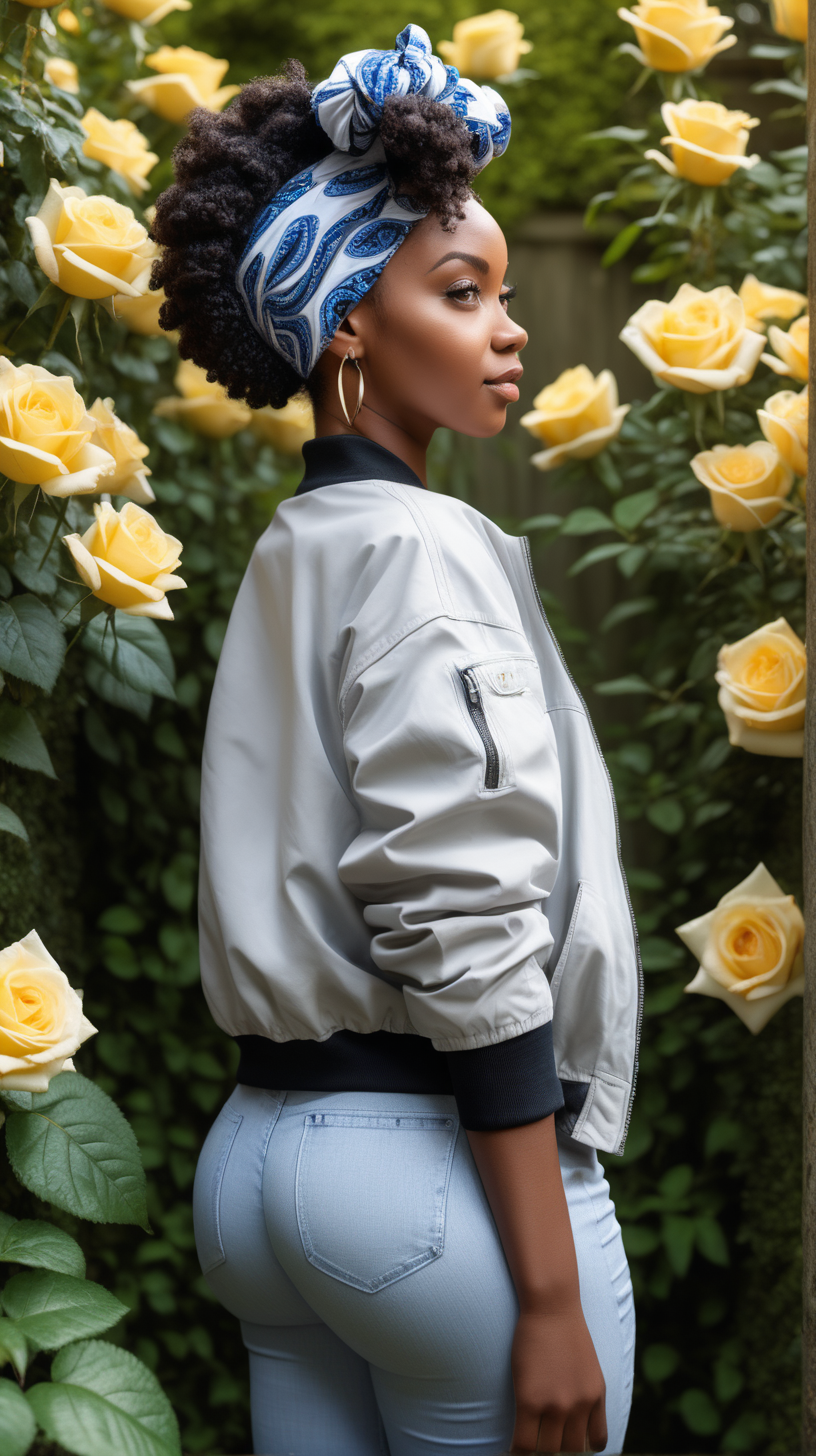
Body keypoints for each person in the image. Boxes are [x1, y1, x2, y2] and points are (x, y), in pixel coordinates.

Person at [152, 25, 641, 1456]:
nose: (511, 327)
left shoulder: (294, 548)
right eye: (462, 291)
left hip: (259, 1171)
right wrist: (546, 1297)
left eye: (499, 291)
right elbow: (464, 913)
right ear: (349, 323)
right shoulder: (427, 556)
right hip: (435, 1178)